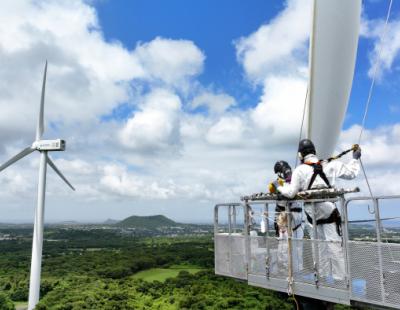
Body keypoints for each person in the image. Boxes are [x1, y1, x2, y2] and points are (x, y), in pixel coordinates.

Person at [277, 139, 360, 281]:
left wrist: (278, 187)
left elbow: (290, 193)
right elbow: (352, 173)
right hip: (328, 210)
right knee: (334, 245)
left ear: (300, 155)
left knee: (318, 246)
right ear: (314, 151)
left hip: (312, 214)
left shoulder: (300, 170)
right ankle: (340, 278)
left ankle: (321, 276)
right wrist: (355, 159)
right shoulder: (330, 165)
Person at [270, 160, 304, 273]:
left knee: (285, 248)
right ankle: (296, 271)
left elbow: (285, 198)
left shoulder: (285, 185)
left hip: (287, 219)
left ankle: (286, 272)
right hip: (297, 219)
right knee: (297, 247)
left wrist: (278, 187)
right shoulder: (296, 181)